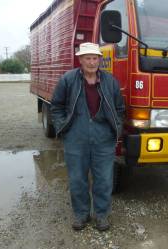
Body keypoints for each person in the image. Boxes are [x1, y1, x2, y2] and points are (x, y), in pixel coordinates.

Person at [50, 42, 125, 231]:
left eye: (95, 58)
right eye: (87, 58)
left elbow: (119, 109)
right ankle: (81, 214)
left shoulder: (110, 81)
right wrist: (63, 128)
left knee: (104, 180)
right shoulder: (68, 79)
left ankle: (101, 215)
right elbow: (56, 106)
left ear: (100, 60)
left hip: (103, 139)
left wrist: (114, 128)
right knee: (77, 179)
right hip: (76, 137)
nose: (92, 62)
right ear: (80, 60)